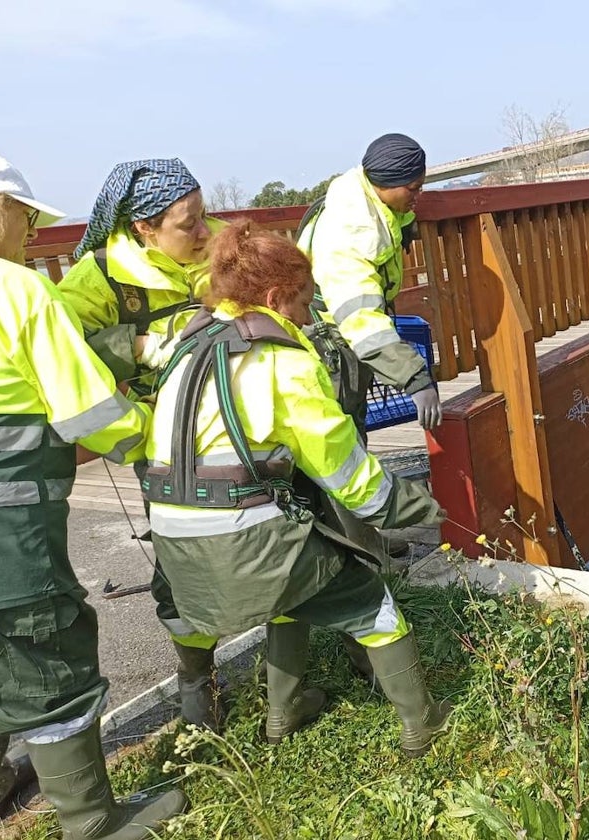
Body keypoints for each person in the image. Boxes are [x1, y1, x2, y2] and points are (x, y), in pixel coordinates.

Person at [145, 221, 451, 752]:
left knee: (290, 588)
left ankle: (282, 715)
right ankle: (422, 725)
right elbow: (347, 474)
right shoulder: (280, 362)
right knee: (372, 605)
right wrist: (410, 505)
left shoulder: (186, 344)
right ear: (273, 298)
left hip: (173, 544)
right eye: (305, 303)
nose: (309, 318)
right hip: (241, 536)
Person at [0, 148, 185, 837]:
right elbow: (90, 415)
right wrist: (166, 438)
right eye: (24, 220)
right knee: (43, 653)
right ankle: (92, 820)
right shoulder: (9, 288)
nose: (30, 235)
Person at [57, 158, 226, 732]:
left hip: (244, 426)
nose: (207, 233)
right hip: (165, 438)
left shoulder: (219, 246)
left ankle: (290, 674)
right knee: (182, 558)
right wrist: (143, 343)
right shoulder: (97, 279)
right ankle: (198, 684)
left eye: (205, 216)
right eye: (189, 224)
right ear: (142, 229)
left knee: (270, 534)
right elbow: (62, 348)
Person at [296, 133, 440, 434]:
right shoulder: (351, 232)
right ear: (385, 184)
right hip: (330, 339)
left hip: (341, 336)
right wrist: (415, 378)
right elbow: (359, 318)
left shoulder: (368, 200)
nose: (419, 195)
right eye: (413, 188)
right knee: (342, 433)